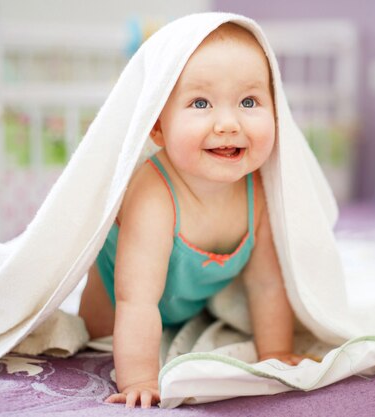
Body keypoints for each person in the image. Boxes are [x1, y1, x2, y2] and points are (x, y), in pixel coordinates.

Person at [78, 22, 306, 408]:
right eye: (201, 103)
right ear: (157, 127)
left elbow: (267, 283)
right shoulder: (155, 193)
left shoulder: (259, 193)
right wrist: (141, 379)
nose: (228, 123)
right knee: (93, 339)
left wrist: (276, 352)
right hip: (116, 310)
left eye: (249, 102)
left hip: (186, 309)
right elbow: (136, 299)